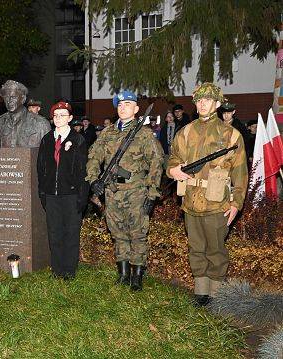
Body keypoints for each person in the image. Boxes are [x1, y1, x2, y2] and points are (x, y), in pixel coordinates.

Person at [167, 83, 248, 307]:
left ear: (218, 104)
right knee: (196, 248)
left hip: (217, 203)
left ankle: (217, 294)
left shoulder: (231, 135)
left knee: (216, 250)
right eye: (199, 101)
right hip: (191, 200)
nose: (202, 104)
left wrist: (236, 203)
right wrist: (173, 169)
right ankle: (201, 292)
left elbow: (240, 173)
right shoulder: (186, 132)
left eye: (207, 100)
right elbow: (172, 158)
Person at [86, 90, 164, 291]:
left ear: (136, 109)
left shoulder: (144, 134)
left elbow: (156, 162)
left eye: (128, 104)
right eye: (119, 105)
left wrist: (152, 192)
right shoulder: (108, 133)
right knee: (118, 233)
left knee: (137, 234)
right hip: (112, 192)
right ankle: (123, 274)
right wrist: (94, 179)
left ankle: (137, 276)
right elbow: (94, 156)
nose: (123, 108)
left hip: (136, 191)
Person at [37, 101, 88, 279]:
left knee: (71, 233)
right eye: (56, 115)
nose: (59, 118)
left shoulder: (78, 140)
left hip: (71, 196)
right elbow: (41, 169)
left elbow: (84, 171)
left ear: (70, 118)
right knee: (55, 232)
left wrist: (82, 197)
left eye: (63, 115)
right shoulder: (46, 140)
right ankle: (57, 269)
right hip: (52, 195)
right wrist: (43, 192)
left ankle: (69, 270)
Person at [0, 80, 51, 148]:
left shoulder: (41, 124)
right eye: (6, 97)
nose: (9, 101)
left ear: (23, 99)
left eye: (13, 97)